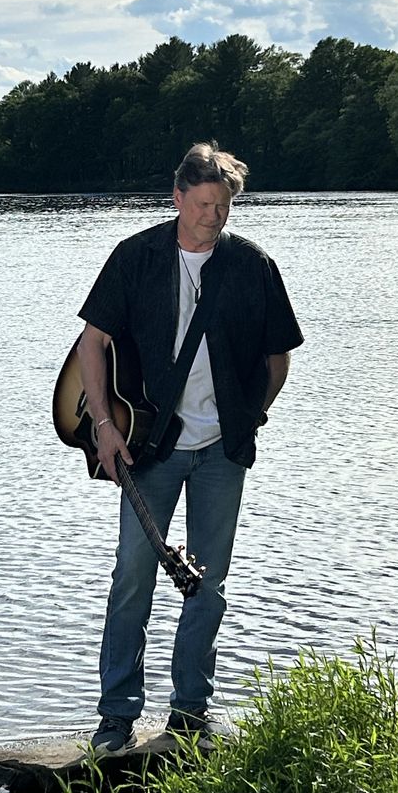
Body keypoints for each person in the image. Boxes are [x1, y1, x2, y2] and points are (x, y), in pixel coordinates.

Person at [75, 142, 303, 753]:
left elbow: (278, 356)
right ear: (177, 197)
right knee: (133, 577)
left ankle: (190, 713)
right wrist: (104, 424)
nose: (213, 217)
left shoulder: (253, 265)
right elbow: (92, 343)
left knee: (209, 581)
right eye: (202, 204)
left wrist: (251, 416)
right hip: (149, 448)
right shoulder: (136, 256)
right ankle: (116, 716)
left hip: (223, 451)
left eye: (223, 206)